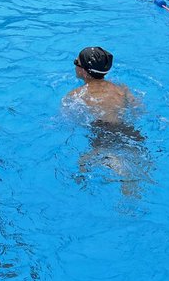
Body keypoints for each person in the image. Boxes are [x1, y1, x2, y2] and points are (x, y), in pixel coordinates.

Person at [63, 46, 148, 193]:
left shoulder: (76, 94)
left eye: (76, 62)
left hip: (103, 133)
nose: (74, 64)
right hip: (128, 131)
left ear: (83, 70)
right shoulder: (121, 88)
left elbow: (69, 120)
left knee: (82, 165)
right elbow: (139, 110)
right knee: (136, 165)